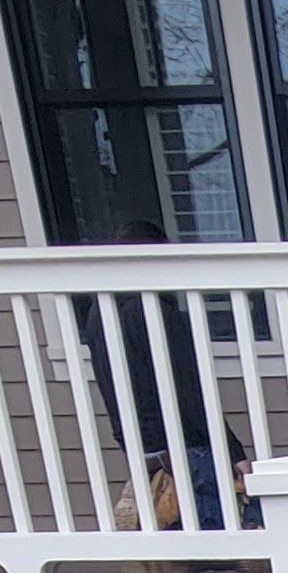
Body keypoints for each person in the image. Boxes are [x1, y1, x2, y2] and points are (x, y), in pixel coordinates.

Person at [81, 219, 255, 532]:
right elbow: (189, 390)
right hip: (188, 450)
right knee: (217, 553)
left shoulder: (100, 312)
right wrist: (234, 453)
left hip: (146, 452)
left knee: (178, 553)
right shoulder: (152, 311)